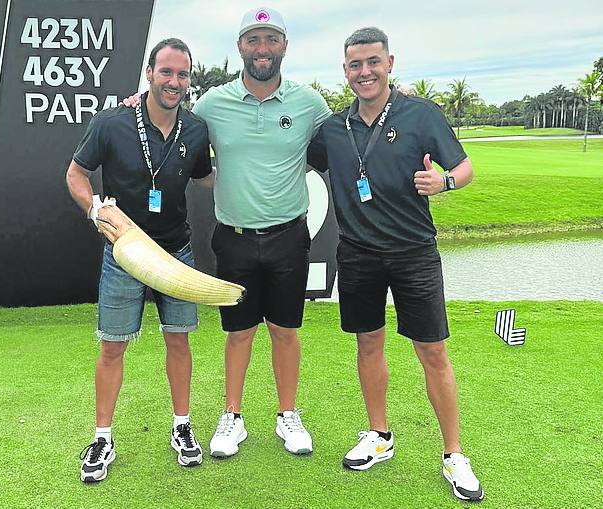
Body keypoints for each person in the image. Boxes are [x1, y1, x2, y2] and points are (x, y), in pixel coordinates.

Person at [307, 27, 484, 501]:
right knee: (369, 345)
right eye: (355, 65)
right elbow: (294, 149)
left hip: (414, 253)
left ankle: (453, 455)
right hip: (359, 254)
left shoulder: (420, 112)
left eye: (373, 62)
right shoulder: (332, 128)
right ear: (345, 72)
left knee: (433, 352)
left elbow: (465, 167)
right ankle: (379, 435)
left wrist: (444, 182)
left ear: (390, 63)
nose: (365, 72)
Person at [66, 38, 213, 483]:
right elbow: (75, 174)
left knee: (179, 341)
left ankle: (182, 427)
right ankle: (103, 437)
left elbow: (207, 181)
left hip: (175, 252)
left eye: (182, 74)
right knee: (112, 345)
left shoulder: (196, 129)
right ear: (149, 74)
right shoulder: (110, 123)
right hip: (124, 252)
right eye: (166, 72)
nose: (174, 82)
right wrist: (94, 209)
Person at [192, 7, 332, 457]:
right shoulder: (212, 103)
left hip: (288, 236)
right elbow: (174, 132)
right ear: (240, 48)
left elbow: (351, 136)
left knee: (285, 329)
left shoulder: (309, 103)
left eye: (271, 39)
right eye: (253, 40)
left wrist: (395, 98)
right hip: (232, 236)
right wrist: (139, 100)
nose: (262, 49)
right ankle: (232, 417)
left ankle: (287, 415)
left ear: (284, 46)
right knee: (239, 332)